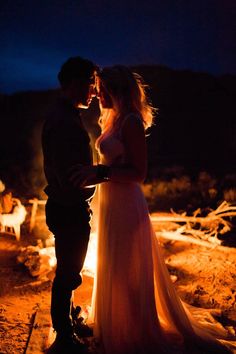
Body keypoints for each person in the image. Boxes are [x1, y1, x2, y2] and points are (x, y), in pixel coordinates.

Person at [70, 65, 236, 354]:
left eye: (102, 89)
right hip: (110, 201)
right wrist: (92, 174)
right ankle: (114, 323)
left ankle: (132, 330)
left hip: (126, 204)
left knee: (127, 267)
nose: (97, 95)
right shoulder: (111, 119)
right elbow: (110, 166)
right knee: (112, 264)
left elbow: (138, 173)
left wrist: (101, 172)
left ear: (117, 90)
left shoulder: (131, 122)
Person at [41, 56, 98, 353]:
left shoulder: (65, 114)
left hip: (65, 206)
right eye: (91, 83)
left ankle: (69, 323)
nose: (95, 91)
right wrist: (103, 174)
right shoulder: (64, 121)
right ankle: (64, 336)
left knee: (68, 269)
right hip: (68, 209)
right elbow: (69, 178)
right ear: (75, 83)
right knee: (67, 273)